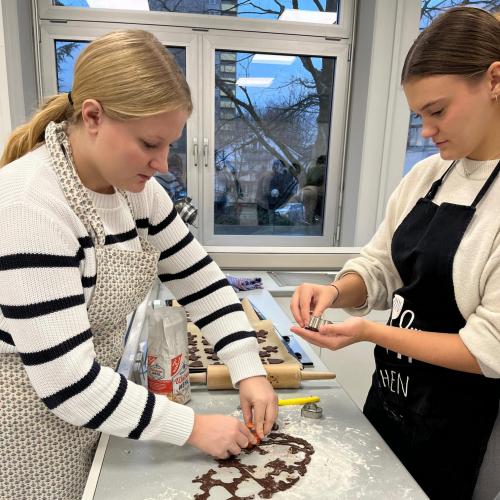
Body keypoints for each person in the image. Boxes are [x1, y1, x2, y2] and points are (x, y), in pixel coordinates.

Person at [0, 30, 277, 499]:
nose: (163, 164)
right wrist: (192, 427)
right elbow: (68, 383)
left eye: (170, 145)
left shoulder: (138, 194)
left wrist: (248, 367)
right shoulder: (30, 207)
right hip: (29, 429)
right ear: (93, 116)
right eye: (150, 144)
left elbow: (202, 283)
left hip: (101, 405)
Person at [290, 7, 499, 500]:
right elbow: (380, 265)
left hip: (460, 428)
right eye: (419, 115)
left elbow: (487, 350)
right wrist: (336, 291)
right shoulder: (427, 176)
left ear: (494, 80)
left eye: (438, 111)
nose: (426, 130)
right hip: (391, 398)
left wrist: (368, 331)